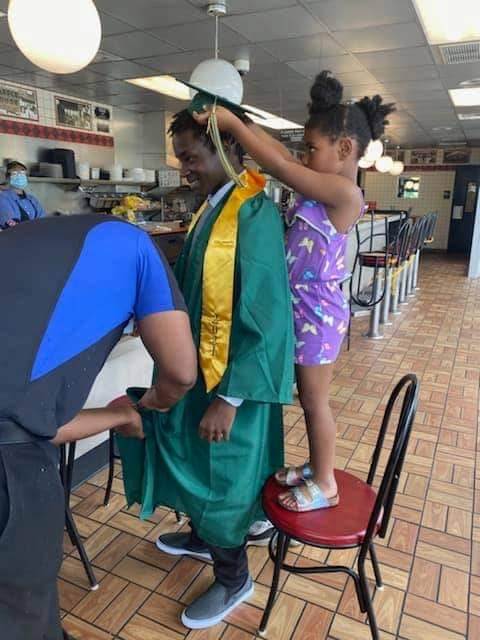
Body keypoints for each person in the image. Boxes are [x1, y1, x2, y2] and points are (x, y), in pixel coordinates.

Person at [117, 108, 294, 629]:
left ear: (227, 149)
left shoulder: (252, 213)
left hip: (231, 383)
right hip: (200, 371)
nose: (186, 170)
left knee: (225, 478)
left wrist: (231, 398)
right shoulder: (209, 210)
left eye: (192, 158)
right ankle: (202, 535)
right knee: (195, 460)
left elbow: (265, 314)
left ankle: (234, 575)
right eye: (182, 160)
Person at [195, 70, 395, 512]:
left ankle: (326, 482)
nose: (303, 156)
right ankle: (314, 466)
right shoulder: (318, 187)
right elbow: (282, 154)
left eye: (313, 148)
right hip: (300, 311)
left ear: (345, 150)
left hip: (317, 316)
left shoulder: (345, 195)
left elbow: (280, 165)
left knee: (315, 401)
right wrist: (244, 120)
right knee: (307, 400)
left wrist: (232, 126)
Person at [0, 213, 197, 640]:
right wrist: (150, 405)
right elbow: (181, 374)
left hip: (14, 445)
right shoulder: (140, 250)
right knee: (22, 615)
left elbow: (32, 425)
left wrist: (122, 416)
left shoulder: (25, 243)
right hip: (10, 475)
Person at [0, 160, 46, 229]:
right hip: (13, 238)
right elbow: (10, 224)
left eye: (22, 173)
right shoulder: (3, 198)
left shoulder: (32, 199)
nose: (19, 176)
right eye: (15, 173)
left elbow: (43, 221)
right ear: (7, 178)